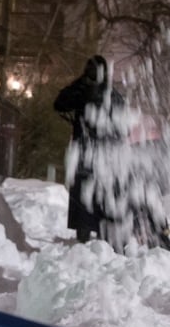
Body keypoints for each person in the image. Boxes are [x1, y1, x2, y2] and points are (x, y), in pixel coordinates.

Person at [54, 55, 127, 246]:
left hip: (100, 153)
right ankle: (88, 232)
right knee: (86, 191)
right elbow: (60, 103)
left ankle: (98, 232)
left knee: (97, 191)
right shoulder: (86, 90)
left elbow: (122, 126)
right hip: (88, 151)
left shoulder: (110, 94)